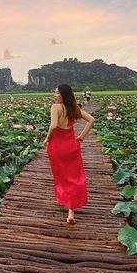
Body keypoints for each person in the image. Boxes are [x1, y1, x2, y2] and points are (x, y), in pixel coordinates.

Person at [44, 84, 95, 224]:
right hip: (71, 146)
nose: (54, 96)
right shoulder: (73, 108)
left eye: (57, 93)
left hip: (57, 147)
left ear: (63, 95)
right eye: (54, 93)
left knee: (61, 176)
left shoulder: (56, 107)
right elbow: (91, 120)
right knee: (74, 176)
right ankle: (71, 210)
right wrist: (81, 137)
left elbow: (53, 126)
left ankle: (65, 201)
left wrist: (48, 138)